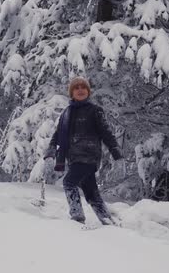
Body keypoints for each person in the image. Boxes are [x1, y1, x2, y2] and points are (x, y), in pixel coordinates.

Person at [44, 76, 123, 225]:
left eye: (83, 87)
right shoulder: (66, 114)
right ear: (71, 92)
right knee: (91, 192)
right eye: (76, 88)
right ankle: (107, 221)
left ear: (88, 91)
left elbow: (106, 134)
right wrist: (50, 153)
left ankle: (77, 218)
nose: (80, 90)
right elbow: (57, 136)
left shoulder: (95, 111)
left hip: (88, 157)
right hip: (74, 159)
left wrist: (116, 154)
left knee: (69, 182)